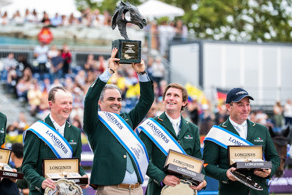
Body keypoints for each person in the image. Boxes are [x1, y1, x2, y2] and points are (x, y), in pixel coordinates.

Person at [83, 48, 154, 195]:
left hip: (136, 189)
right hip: (111, 189)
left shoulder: (127, 119)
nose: (116, 103)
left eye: (119, 99)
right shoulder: (94, 122)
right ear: (100, 102)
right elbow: (89, 99)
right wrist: (109, 71)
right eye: (111, 99)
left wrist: (141, 73)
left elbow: (147, 101)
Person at [203, 88, 280, 195]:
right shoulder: (217, 132)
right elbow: (206, 165)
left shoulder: (262, 130)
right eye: (240, 105)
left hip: (259, 192)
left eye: (248, 104)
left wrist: (270, 171)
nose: (246, 109)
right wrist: (225, 174)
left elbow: (275, 158)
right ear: (228, 107)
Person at [139, 83, 207, 195]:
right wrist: (162, 177)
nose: (171, 98)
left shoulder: (192, 129)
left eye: (176, 95)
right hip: (158, 189)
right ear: (164, 99)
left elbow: (197, 158)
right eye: (168, 95)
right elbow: (142, 159)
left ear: (184, 102)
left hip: (186, 189)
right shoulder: (151, 126)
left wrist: (203, 180)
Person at [22, 86, 88, 195]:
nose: (68, 107)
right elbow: (27, 167)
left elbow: (76, 165)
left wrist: (83, 175)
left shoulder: (76, 132)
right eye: (63, 103)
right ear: (50, 104)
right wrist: (41, 181)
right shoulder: (37, 130)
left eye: (70, 103)